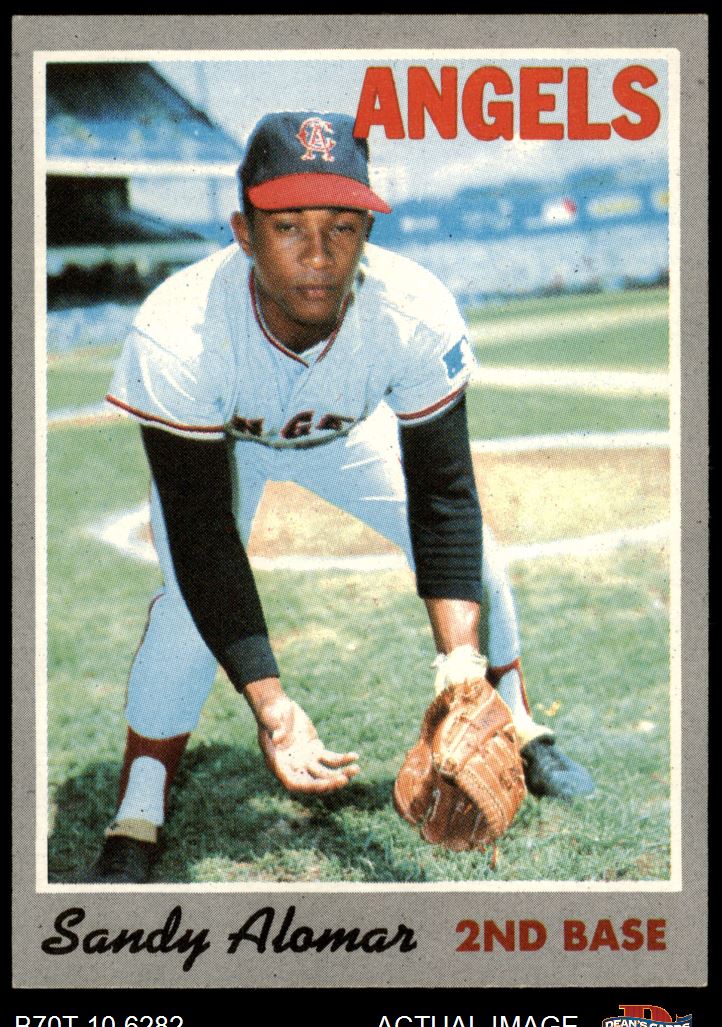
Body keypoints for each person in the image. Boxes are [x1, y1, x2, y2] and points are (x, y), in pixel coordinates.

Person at [90, 111, 593, 883]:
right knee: (187, 609)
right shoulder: (178, 330)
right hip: (229, 443)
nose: (319, 255)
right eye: (288, 226)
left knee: (481, 561)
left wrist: (459, 666)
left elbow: (444, 496)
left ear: (368, 232)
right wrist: (273, 707)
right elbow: (201, 536)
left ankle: (517, 722)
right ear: (243, 231)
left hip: (345, 437)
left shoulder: (412, 308)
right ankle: (140, 806)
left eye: (343, 227)